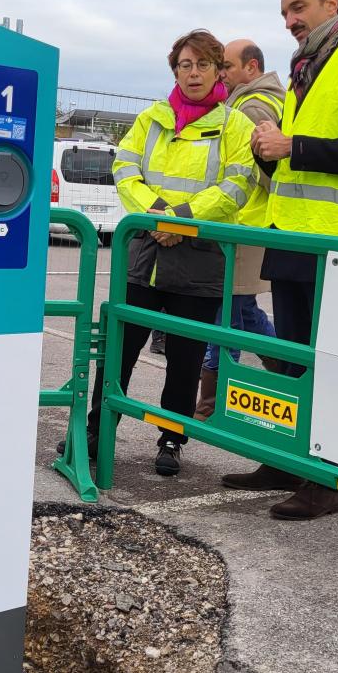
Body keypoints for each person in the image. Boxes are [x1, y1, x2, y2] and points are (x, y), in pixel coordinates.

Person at [220, 0, 338, 521]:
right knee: (294, 362)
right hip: (297, 238)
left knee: (329, 368)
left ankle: (324, 486)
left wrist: (291, 143)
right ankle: (287, 460)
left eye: (298, 8)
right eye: (284, 13)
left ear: (332, 3)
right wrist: (267, 149)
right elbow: (295, 158)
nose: (290, 21)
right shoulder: (307, 68)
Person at [63, 29, 258, 477]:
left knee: (185, 359)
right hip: (146, 253)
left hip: (199, 257)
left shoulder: (237, 126)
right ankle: (95, 430)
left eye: (203, 65)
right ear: (175, 70)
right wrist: (155, 216)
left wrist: (180, 219)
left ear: (217, 71)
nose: (193, 74)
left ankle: (172, 438)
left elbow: (235, 186)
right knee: (119, 350)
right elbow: (124, 167)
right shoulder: (151, 118)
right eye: (185, 65)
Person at [192, 38, 286, 420]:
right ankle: (288, 370)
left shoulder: (251, 106)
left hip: (243, 224)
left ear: (251, 66)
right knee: (243, 312)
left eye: (226, 66)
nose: (222, 73)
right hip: (253, 225)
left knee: (226, 313)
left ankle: (211, 405)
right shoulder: (273, 100)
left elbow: (249, 173)